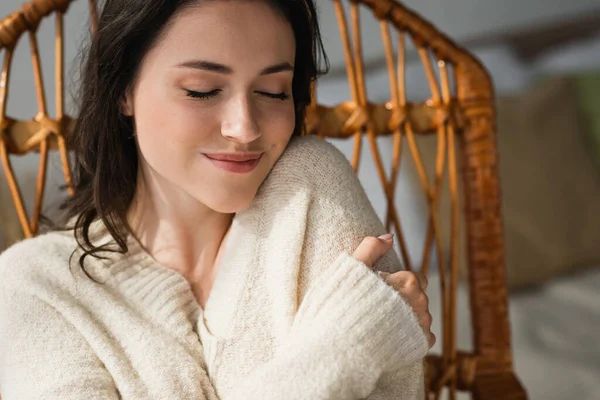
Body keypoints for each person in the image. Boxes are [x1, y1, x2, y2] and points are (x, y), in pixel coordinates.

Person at [0, 0, 435, 399]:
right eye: (202, 90)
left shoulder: (308, 189)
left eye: (273, 91)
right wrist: (350, 344)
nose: (244, 129)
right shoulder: (36, 286)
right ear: (123, 89)